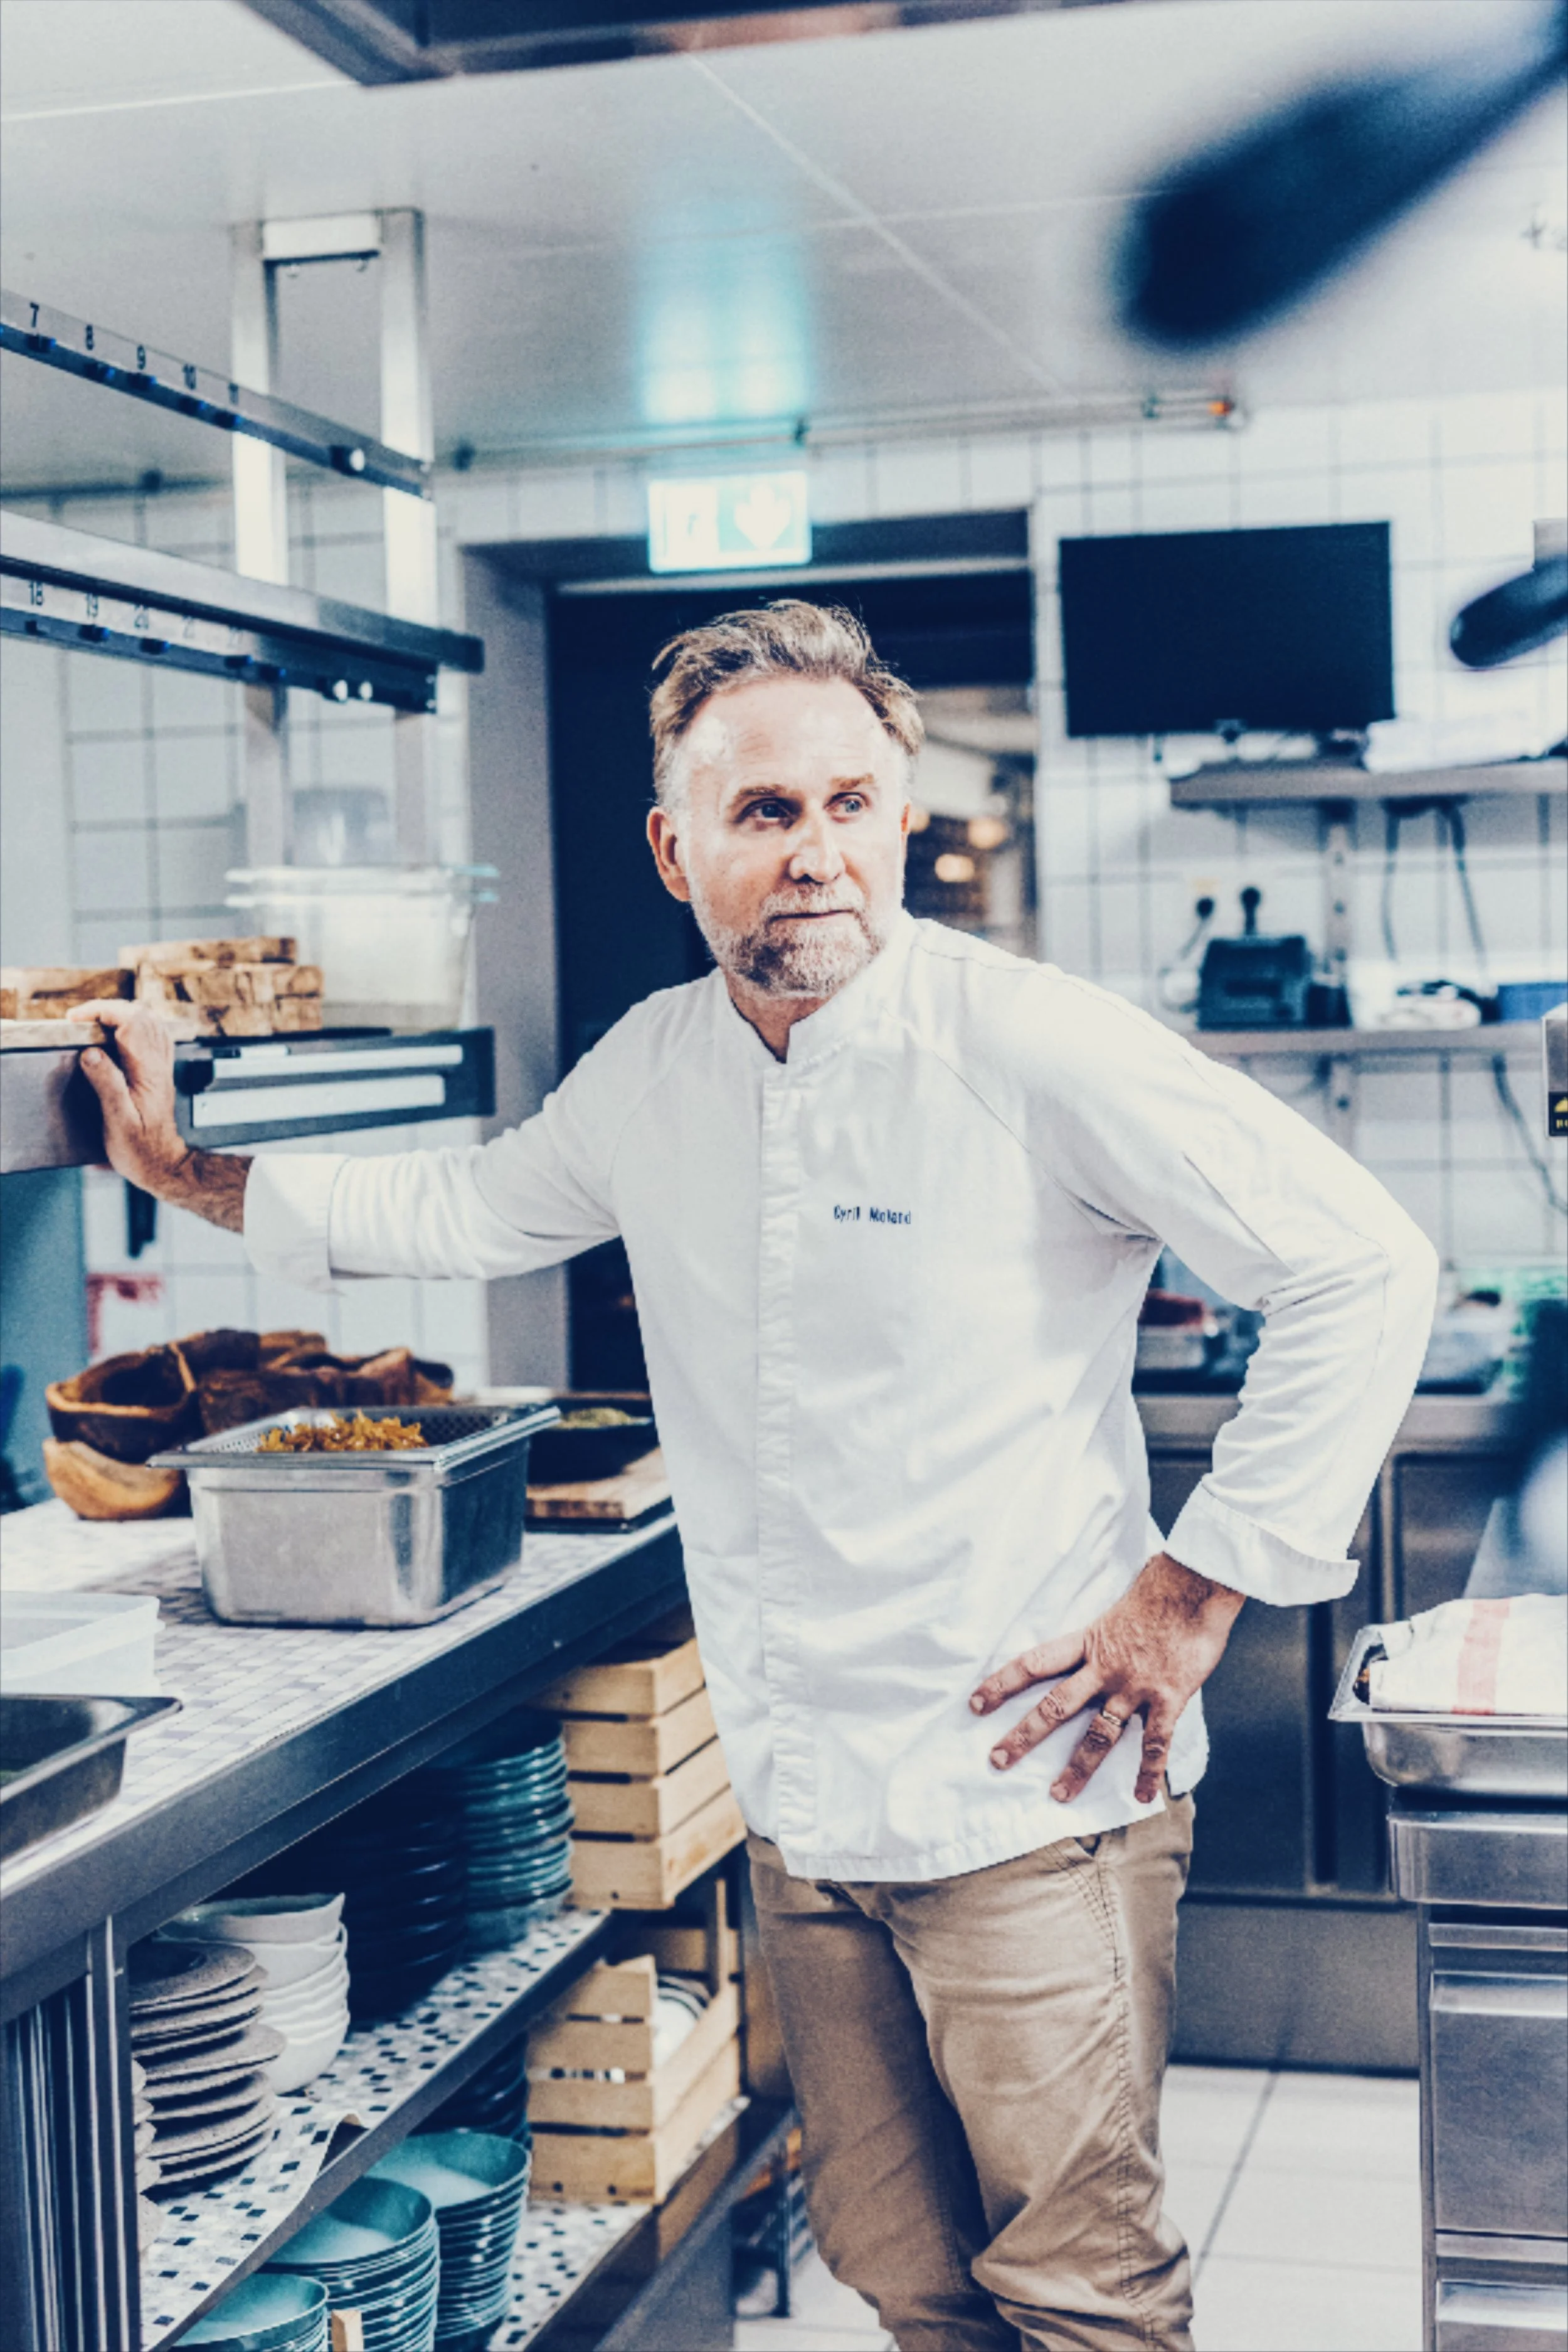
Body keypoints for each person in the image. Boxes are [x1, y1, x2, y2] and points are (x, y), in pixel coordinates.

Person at [78, 601, 1437, 2351]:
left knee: (1080, 2293)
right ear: (674, 846)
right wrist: (185, 1168)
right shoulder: (655, 1068)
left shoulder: (1022, 1041)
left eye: (848, 803)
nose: (814, 853)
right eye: (762, 811)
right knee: (905, 2274)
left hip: (1032, 1808)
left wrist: (1187, 1598)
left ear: (895, 816)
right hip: (808, 1805)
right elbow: (459, 1209)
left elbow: (1360, 1263)